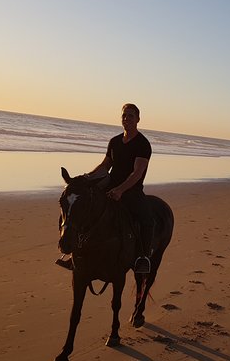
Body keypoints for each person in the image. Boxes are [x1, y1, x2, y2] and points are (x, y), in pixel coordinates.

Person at [57, 103, 156, 274]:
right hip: (110, 185)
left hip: (131, 189)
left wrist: (120, 190)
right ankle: (74, 255)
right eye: (124, 115)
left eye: (130, 116)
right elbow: (105, 166)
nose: (126, 119)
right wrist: (86, 178)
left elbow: (137, 173)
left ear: (138, 119)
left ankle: (143, 258)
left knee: (148, 220)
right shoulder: (115, 141)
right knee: (82, 207)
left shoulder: (143, 144)